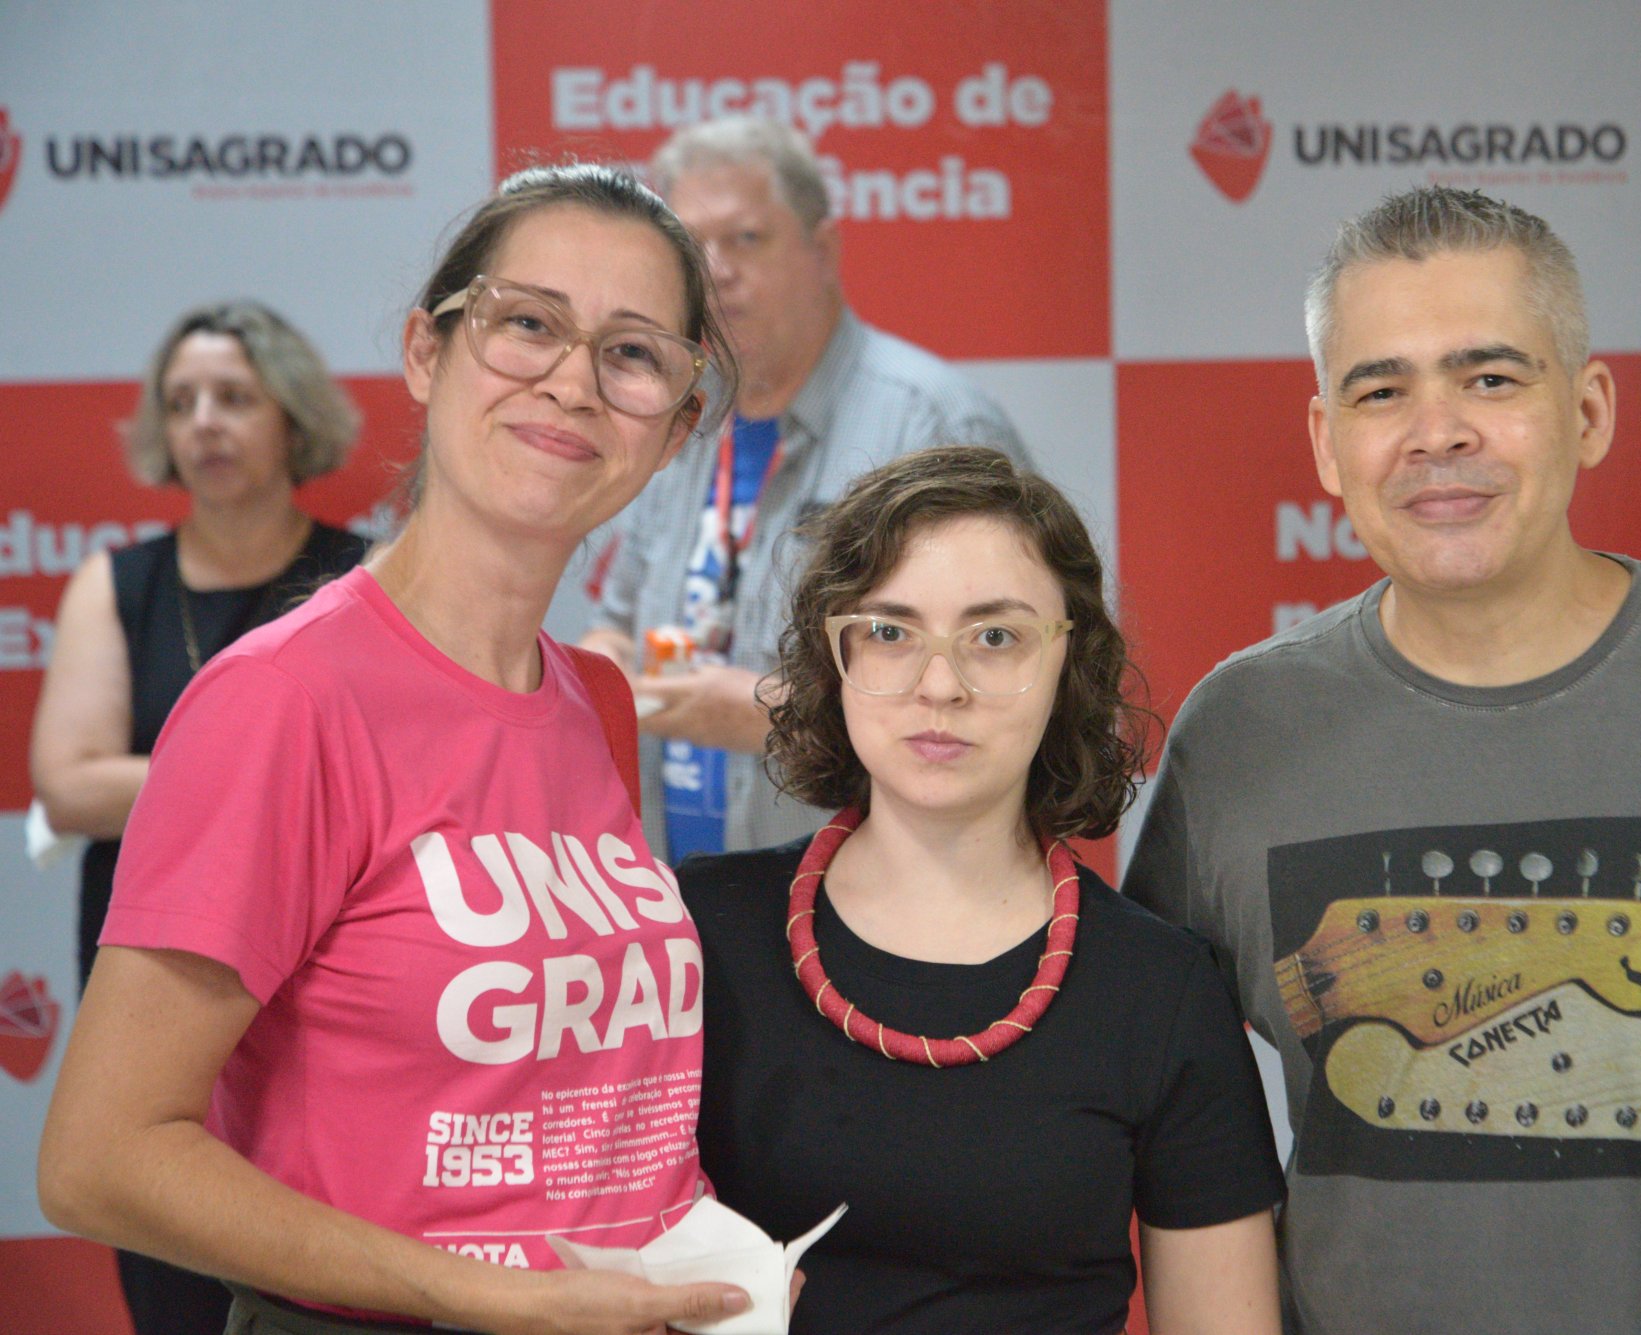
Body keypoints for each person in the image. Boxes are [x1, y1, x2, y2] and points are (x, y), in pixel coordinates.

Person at [1123, 186, 1641, 1334]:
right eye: (1380, 390)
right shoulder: (1236, 733)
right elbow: (1161, 1098)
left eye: (1488, 378)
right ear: (1326, 443)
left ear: (1589, 409)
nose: (1436, 433)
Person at [39, 164, 762, 1334]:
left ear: (675, 427)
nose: (572, 382)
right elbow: (99, 1160)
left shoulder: (593, 700)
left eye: (631, 354)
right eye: (528, 324)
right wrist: (496, 1299)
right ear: (428, 352)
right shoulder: (282, 699)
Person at [680, 446, 1285, 1335]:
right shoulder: (695, 930)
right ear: (832, 655)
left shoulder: (1160, 987)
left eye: (995, 637)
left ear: (1070, 662)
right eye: (890, 632)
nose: (940, 686)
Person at [29, 300, 367, 1335]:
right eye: (181, 404)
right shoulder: (118, 583)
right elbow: (70, 785)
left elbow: (392, 776)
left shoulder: (367, 579)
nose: (204, 423)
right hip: (156, 972)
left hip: (325, 978)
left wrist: (191, 781)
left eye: (232, 398)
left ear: (292, 418)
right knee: (170, 1271)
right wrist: (274, 776)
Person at [580, 116, 1028, 863]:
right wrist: (605, 660)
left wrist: (777, 714)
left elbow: (1003, 683)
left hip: (868, 893)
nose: (716, 270)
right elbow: (617, 618)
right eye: (693, 247)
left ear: (822, 251)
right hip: (672, 892)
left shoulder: (932, 425)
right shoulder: (678, 420)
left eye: (746, 238)